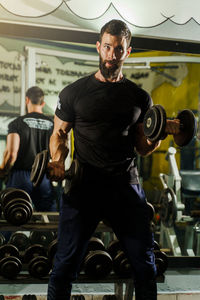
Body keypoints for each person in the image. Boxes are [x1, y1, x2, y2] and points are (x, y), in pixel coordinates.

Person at [47, 20, 180, 300]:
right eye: (107, 47)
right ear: (98, 47)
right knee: (63, 268)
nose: (111, 54)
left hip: (124, 187)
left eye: (118, 49)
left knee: (145, 266)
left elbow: (143, 147)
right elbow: (59, 133)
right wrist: (58, 159)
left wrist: (159, 134)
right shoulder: (74, 92)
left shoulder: (139, 97)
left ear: (127, 52)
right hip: (85, 185)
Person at [0, 86, 57, 212]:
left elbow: (11, 154)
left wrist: (3, 170)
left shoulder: (17, 123)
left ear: (27, 100)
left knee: (13, 215)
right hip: (43, 177)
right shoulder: (52, 124)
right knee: (48, 218)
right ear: (43, 103)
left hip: (21, 176)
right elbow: (57, 153)